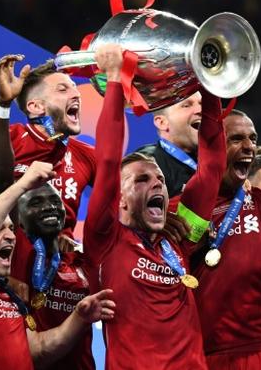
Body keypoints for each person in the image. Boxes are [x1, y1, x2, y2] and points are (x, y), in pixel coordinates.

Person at [84, 44, 225, 369]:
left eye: (159, 178)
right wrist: (116, 80)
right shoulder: (105, 239)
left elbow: (212, 167)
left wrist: (210, 85)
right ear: (118, 201)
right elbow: (107, 162)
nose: (157, 183)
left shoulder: (180, 237)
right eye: (142, 180)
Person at [0, 161, 115, 370]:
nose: (9, 236)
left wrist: (79, 318)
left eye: (9, 228)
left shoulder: (9, 293)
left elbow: (38, 349)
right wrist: (22, 184)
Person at [190, 109, 261, 368]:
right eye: (237, 139)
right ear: (208, 147)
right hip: (207, 355)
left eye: (253, 138)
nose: (250, 146)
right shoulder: (180, 211)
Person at [0, 55, 95, 239]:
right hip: (6, 256)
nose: (77, 94)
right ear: (36, 106)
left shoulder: (87, 155)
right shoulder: (7, 140)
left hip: (61, 263)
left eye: (75, 88)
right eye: (62, 90)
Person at [135, 91, 203, 198]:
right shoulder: (146, 165)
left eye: (201, 104)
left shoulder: (220, 158)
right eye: (186, 105)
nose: (200, 110)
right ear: (162, 122)